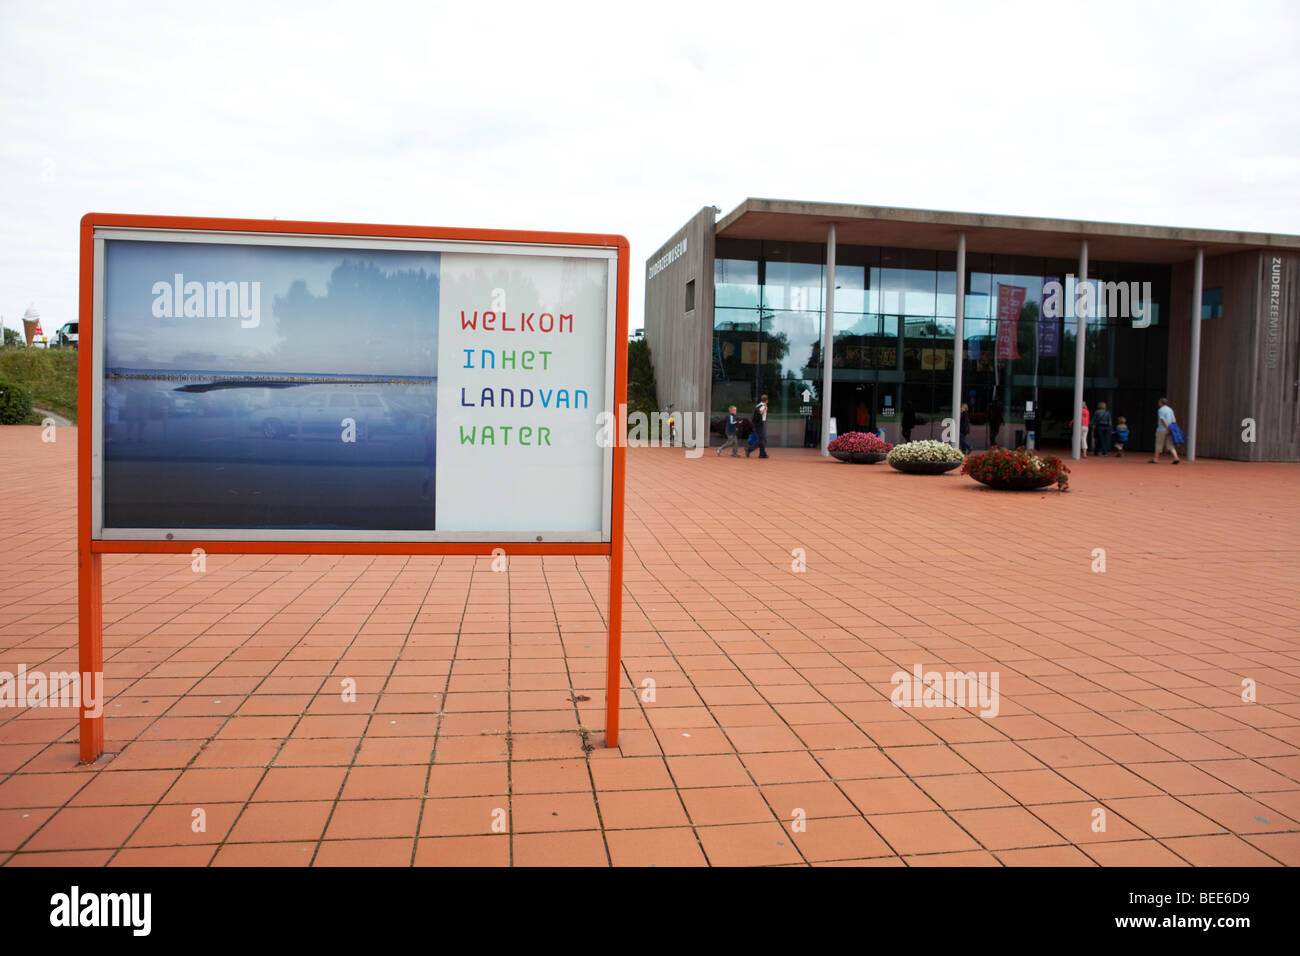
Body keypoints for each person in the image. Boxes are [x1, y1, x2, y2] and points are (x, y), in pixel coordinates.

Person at [1150, 397, 1181, 464]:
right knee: (1170, 444)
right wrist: (1172, 427)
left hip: (1162, 429)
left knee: (1159, 444)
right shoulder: (1170, 410)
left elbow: (1162, 419)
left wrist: (1167, 427)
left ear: (1161, 403)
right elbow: (1174, 419)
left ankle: (1156, 459)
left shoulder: (1161, 410)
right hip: (1170, 429)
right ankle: (1176, 457)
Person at [747, 394, 769, 458]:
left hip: (758, 424)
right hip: (760, 424)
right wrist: (765, 409)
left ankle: (762, 454)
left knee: (762, 439)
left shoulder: (758, 405)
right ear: (766, 400)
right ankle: (749, 449)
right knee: (762, 439)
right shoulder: (763, 406)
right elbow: (760, 412)